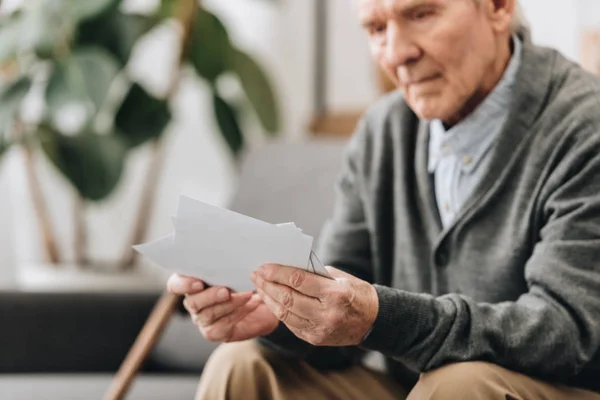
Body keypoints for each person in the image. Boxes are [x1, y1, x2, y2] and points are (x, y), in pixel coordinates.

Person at [168, 0, 600, 398]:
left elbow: (565, 332)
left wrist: (381, 317)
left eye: (421, 14)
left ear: (498, 7)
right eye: (376, 28)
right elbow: (343, 319)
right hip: (417, 390)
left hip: (556, 388)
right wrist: (283, 318)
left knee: (460, 386)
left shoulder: (584, 127)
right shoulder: (383, 130)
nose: (395, 54)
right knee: (245, 364)